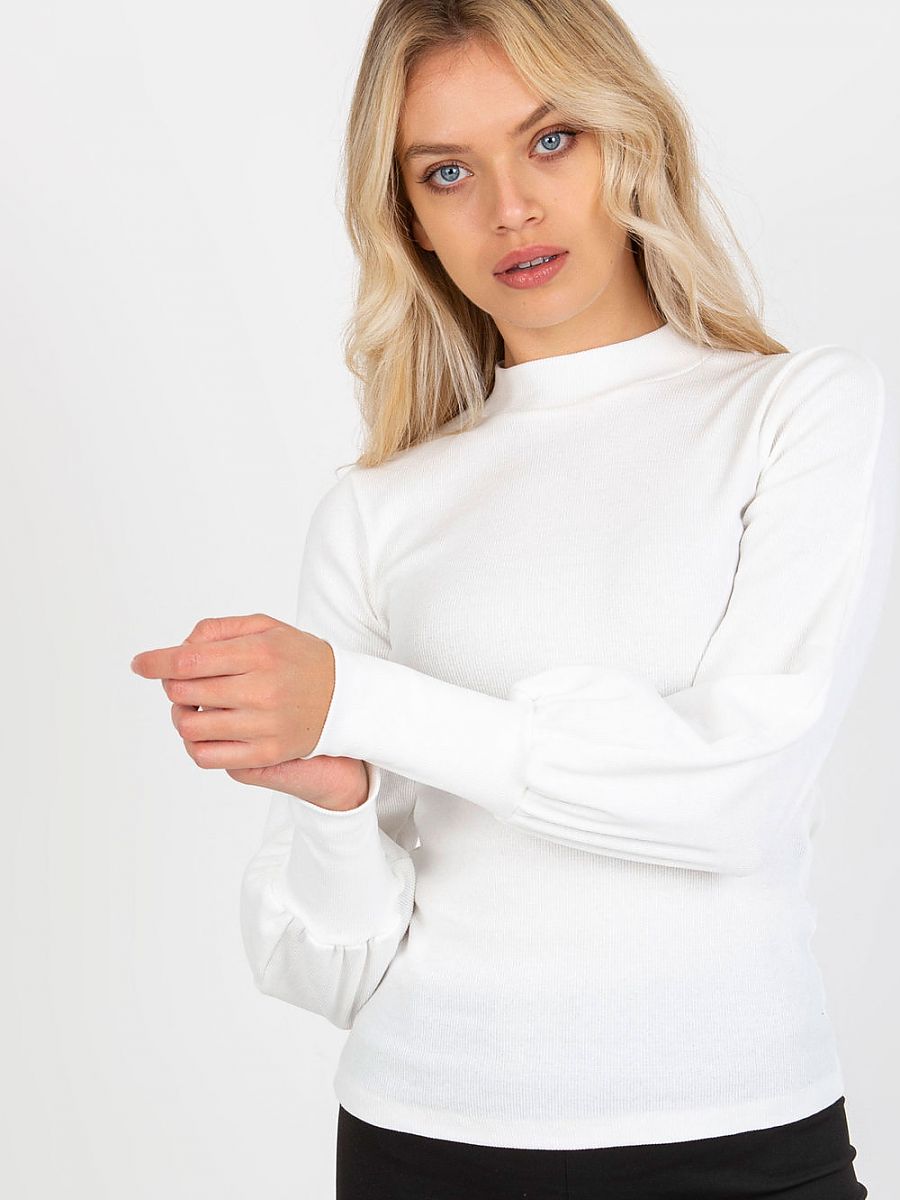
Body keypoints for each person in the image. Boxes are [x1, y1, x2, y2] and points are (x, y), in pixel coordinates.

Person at [236, 1, 896, 1195]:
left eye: (551, 140)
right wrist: (338, 805)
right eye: (447, 172)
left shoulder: (795, 414)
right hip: (420, 1141)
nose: (511, 208)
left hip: (740, 1140)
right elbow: (330, 972)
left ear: (630, 140)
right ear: (409, 219)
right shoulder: (377, 508)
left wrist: (360, 703)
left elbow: (735, 800)